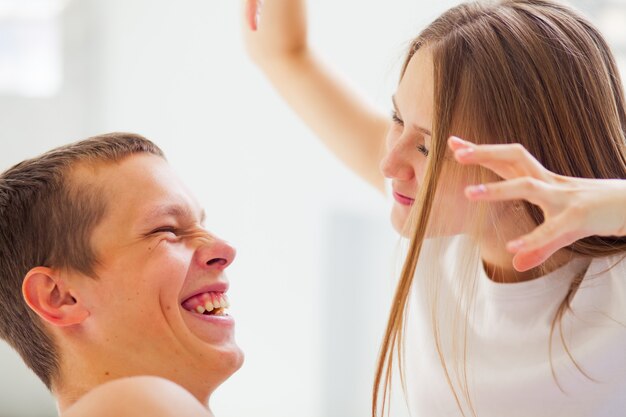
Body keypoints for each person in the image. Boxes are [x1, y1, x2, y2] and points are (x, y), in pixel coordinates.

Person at [244, 0, 626, 416]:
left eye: (427, 146)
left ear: (527, 161)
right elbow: (283, 52)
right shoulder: (439, 230)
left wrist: (608, 201)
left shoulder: (613, 289)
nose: (390, 164)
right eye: (396, 118)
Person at [0, 133, 243, 416]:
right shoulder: (138, 402)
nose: (224, 249)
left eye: (201, 224)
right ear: (60, 296)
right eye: (166, 230)